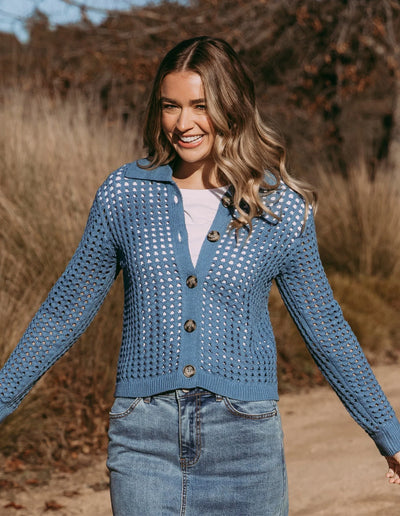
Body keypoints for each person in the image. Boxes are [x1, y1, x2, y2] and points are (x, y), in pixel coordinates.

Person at [0, 36, 399, 515]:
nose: (183, 123)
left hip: (244, 440)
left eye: (200, 106)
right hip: (143, 436)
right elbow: (65, 310)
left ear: (231, 108)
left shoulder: (278, 208)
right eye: (171, 106)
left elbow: (326, 330)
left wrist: (389, 435)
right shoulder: (124, 195)